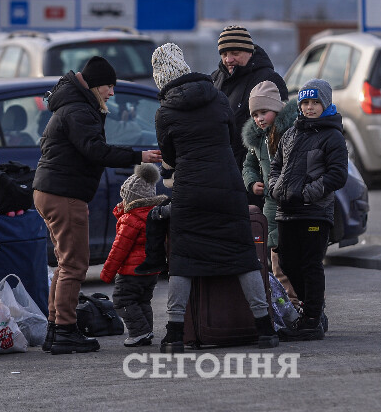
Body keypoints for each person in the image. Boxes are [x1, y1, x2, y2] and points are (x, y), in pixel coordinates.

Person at [151, 42, 278, 352]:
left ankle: (174, 334)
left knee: (183, 261)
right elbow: (233, 140)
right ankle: (264, 329)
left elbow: (169, 155)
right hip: (227, 186)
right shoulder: (218, 98)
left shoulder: (165, 111)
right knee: (243, 256)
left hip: (190, 191)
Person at [32, 56, 162, 354]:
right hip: (64, 193)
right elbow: (94, 150)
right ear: (93, 85)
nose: (112, 93)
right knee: (76, 264)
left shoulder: (72, 105)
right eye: (108, 86)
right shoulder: (79, 109)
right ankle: (65, 330)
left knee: (66, 264)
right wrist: (137, 156)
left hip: (53, 191)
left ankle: (56, 329)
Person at [269, 78, 348, 341]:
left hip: (314, 212)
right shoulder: (290, 134)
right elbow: (276, 166)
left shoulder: (333, 135)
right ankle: (314, 310)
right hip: (286, 210)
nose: (310, 107)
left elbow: (337, 175)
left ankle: (311, 319)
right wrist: (274, 188)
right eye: (305, 102)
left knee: (311, 264)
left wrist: (307, 194)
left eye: (315, 102)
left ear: (326, 104)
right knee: (288, 263)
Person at [240, 79, 301, 305]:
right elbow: (248, 166)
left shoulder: (292, 133)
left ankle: (300, 303)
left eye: (264, 112)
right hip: (270, 206)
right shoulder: (258, 141)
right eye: (255, 114)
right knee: (275, 261)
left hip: (292, 204)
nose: (259, 119)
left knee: (290, 259)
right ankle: (290, 305)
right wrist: (253, 182)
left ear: (276, 109)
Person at [210, 25, 290, 183]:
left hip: (253, 176)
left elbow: (279, 133)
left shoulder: (269, 80)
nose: (228, 59)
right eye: (224, 54)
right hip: (219, 172)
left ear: (249, 51)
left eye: (235, 53)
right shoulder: (215, 79)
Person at [100, 163, 168, 347]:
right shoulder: (154, 214)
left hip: (132, 271)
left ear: (131, 198)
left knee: (123, 301)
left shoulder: (131, 219)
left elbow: (118, 249)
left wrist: (107, 273)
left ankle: (139, 332)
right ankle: (147, 331)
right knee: (143, 300)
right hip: (151, 270)